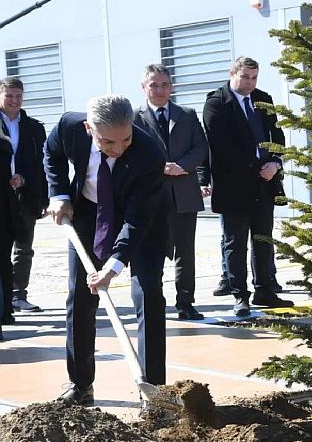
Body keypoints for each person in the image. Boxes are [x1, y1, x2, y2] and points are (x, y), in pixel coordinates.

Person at [44, 94, 170, 406]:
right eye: (108, 142)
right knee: (80, 297)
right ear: (89, 129)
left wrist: (113, 267)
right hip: (88, 215)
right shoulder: (68, 127)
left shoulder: (151, 153)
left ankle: (154, 394)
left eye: (125, 139)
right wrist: (59, 193)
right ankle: (80, 384)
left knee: (148, 295)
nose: (118, 149)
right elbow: (52, 155)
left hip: (142, 221)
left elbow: (138, 219)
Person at [202, 56, 293, 317]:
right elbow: (221, 146)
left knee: (263, 239)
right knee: (236, 242)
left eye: (254, 78)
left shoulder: (263, 99)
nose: (250, 83)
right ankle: (240, 295)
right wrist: (257, 168)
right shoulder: (217, 102)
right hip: (234, 186)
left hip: (265, 183)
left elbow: (278, 135)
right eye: (245, 77)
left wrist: (275, 162)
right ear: (232, 73)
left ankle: (264, 289)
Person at [134, 64, 209, 320]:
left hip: (184, 193)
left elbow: (201, 147)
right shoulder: (134, 117)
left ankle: (185, 303)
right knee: (152, 251)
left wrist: (183, 166)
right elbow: (130, 153)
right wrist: (159, 167)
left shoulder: (186, 114)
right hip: (152, 195)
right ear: (144, 87)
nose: (159, 89)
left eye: (164, 84)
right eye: (154, 84)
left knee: (185, 253)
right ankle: (153, 303)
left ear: (171, 86)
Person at [1, 77, 48, 316]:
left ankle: (19, 294)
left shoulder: (33, 127)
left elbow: (42, 164)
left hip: (25, 195)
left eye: (18, 95)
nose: (14, 100)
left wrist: (41, 195)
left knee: (24, 247)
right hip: (2, 195)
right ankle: (4, 299)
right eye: (9, 95)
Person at [1, 124, 22, 337]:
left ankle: (6, 310)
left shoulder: (4, 146)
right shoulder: (5, 145)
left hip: (4, 213)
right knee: (4, 263)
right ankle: (6, 310)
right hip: (5, 212)